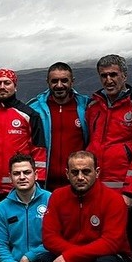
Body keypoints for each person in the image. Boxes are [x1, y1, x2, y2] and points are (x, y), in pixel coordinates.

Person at [84, 54, 132, 254]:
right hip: (94, 187)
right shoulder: (93, 104)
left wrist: (130, 192)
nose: (109, 80)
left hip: (122, 188)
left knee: (123, 238)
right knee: (93, 233)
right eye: (104, 75)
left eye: (113, 75)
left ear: (124, 75)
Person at [0, 67, 46, 226]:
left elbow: (39, 150)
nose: (2, 87)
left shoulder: (29, 115)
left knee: (18, 228)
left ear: (15, 86)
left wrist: (40, 181)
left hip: (18, 186)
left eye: (7, 83)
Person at [28, 62, 90, 190]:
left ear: (72, 82)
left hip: (78, 182)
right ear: (48, 82)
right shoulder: (34, 110)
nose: (59, 85)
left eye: (64, 81)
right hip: (44, 184)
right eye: (54, 81)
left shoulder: (87, 107)